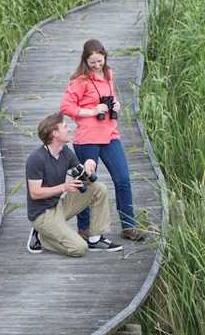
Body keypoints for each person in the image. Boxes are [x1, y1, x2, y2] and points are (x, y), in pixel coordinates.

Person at [60, 39, 143, 241]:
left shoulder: (108, 74)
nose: (97, 65)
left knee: (123, 179)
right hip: (87, 138)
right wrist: (92, 111)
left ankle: (128, 226)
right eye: (93, 62)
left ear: (105, 57)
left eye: (100, 61)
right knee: (86, 183)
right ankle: (84, 227)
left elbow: (111, 95)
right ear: (85, 61)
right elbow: (66, 107)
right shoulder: (80, 80)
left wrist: (115, 104)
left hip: (110, 134)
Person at [26, 112, 123, 256]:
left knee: (98, 188)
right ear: (55, 134)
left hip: (59, 206)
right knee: (79, 248)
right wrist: (64, 187)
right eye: (65, 127)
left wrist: (89, 165)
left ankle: (95, 239)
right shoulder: (36, 159)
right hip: (42, 214)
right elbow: (35, 193)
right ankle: (42, 237)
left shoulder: (65, 152)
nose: (69, 129)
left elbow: (84, 178)